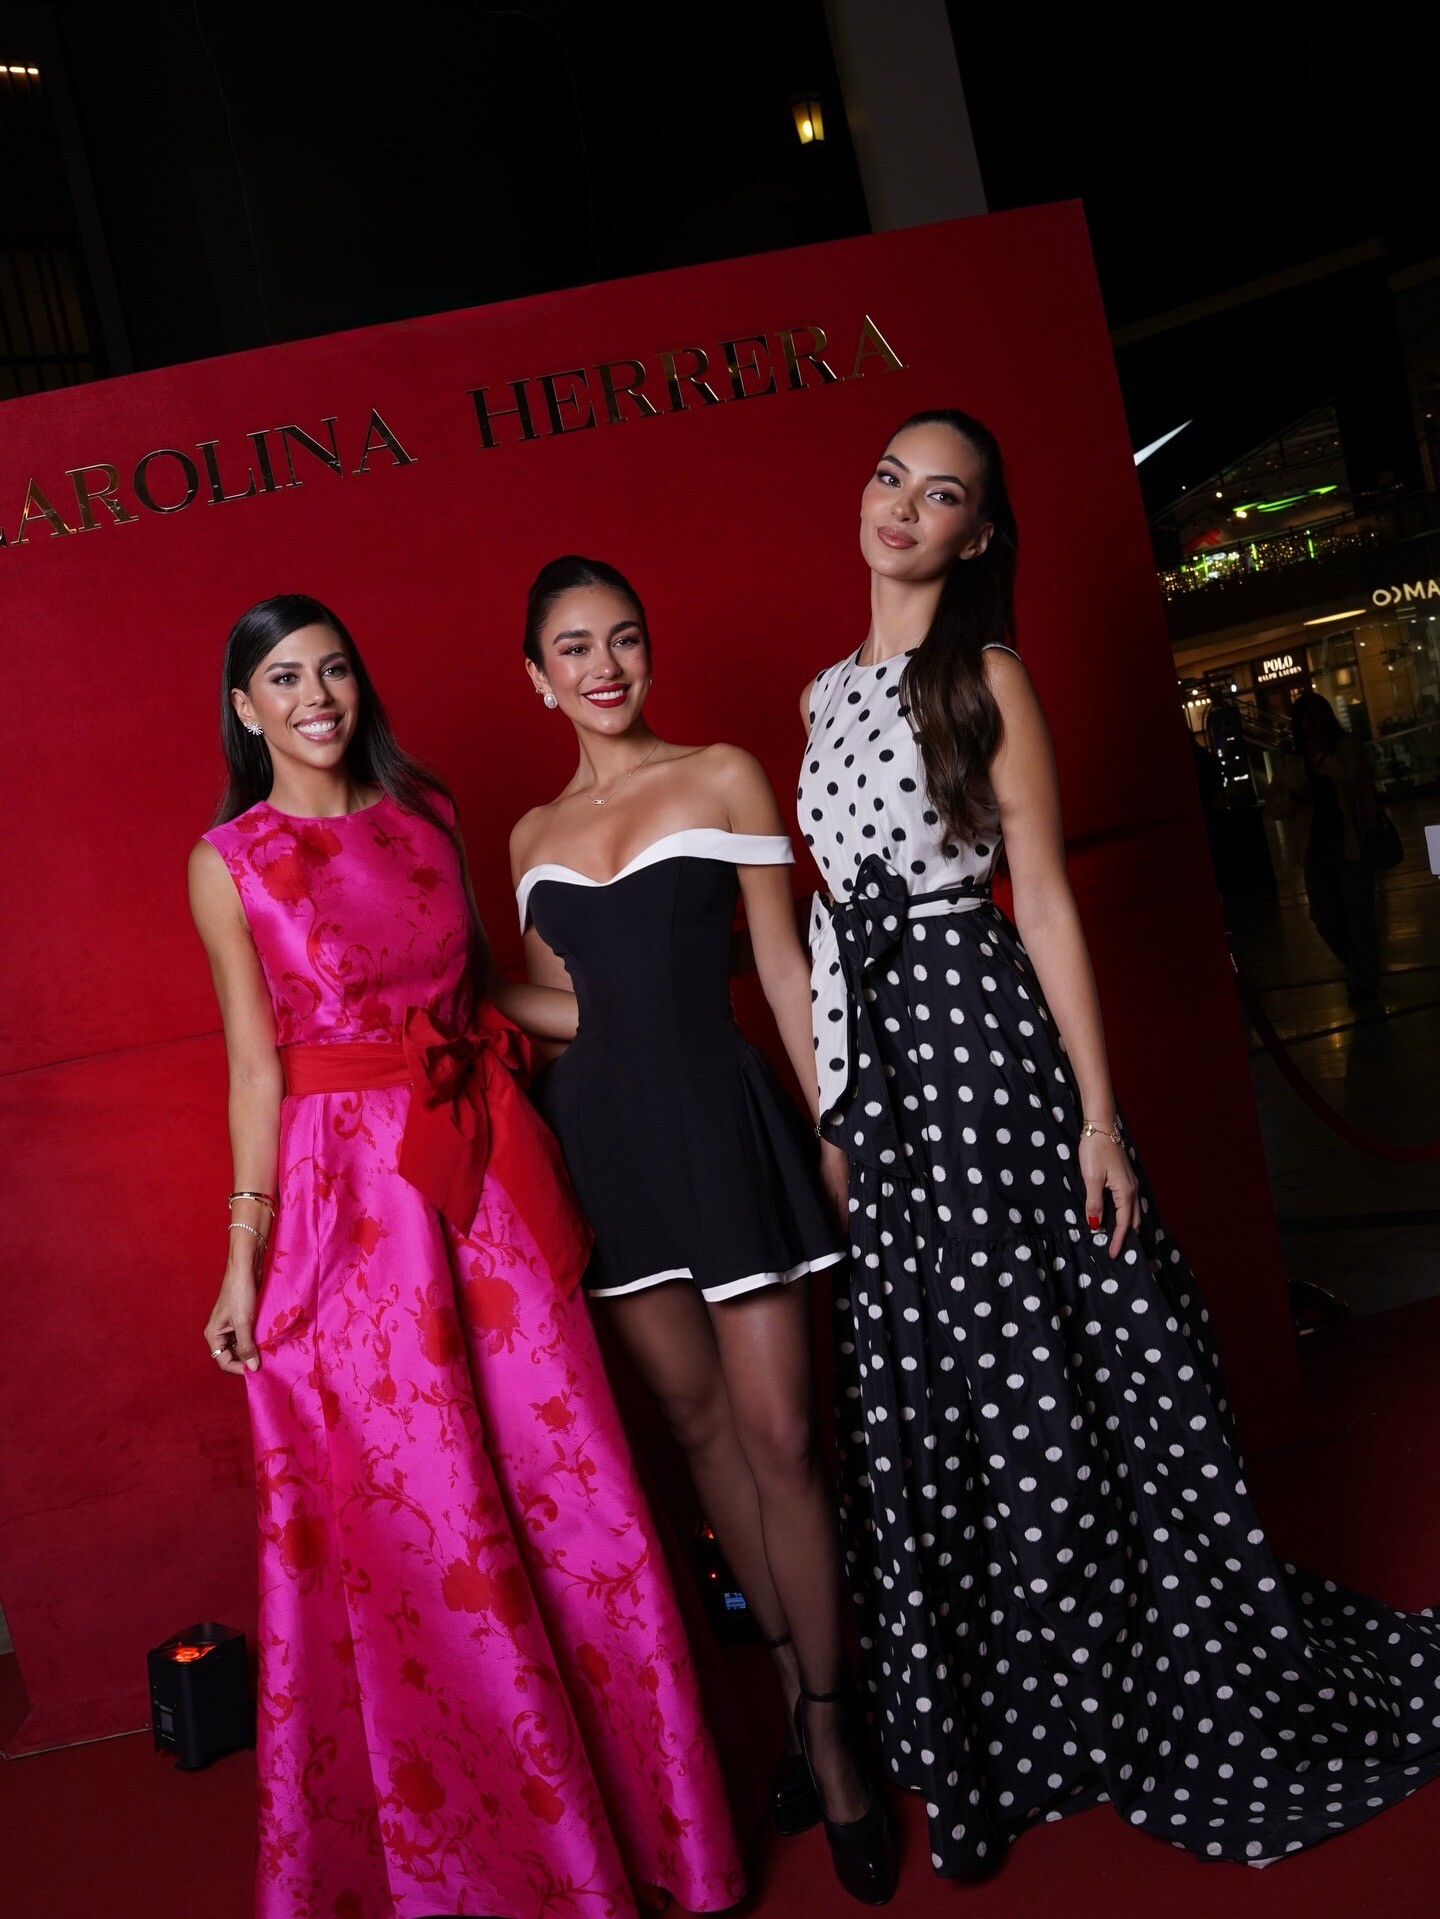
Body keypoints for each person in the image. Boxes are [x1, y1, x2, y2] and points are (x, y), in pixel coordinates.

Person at [800, 410, 1440, 1880]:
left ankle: (1128, 1677)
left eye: (940, 494)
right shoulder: (821, 694)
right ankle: (1020, 1703)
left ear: (976, 534)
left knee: (1053, 1358)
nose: (901, 506)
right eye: (890, 474)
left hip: (985, 1048)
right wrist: (840, 1108)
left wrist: (1097, 1119)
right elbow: (834, 928)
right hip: (888, 1080)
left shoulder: (989, 677)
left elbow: (1042, 899)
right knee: (945, 1377)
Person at [190, 593, 742, 1919]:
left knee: (566, 1481)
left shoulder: (425, 814)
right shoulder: (231, 860)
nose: (317, 695)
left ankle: (651, 1833)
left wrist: (650, 1016)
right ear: (246, 706)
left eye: (334, 668)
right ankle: (498, 1864)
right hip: (344, 1204)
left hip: (483, 1168)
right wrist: (243, 1250)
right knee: (423, 1510)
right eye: (285, 676)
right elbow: (256, 1067)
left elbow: (481, 992)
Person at [513, 555, 895, 1904]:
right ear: (538, 677)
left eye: (623, 637)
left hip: (727, 1129)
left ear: (647, 649)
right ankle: (793, 1693)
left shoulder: (724, 772)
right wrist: (466, 990)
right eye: (575, 647)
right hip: (608, 1147)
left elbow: (786, 968)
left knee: (786, 1435)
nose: (604, 666)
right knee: (702, 1432)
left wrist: (837, 1127)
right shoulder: (529, 836)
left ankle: (838, 1728)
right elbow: (575, 1011)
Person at [1287, 690, 1383, 1004]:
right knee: (1323, 915)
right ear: (1300, 724)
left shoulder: (1346, 747)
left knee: (1358, 914)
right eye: (1310, 718)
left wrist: (1317, 758)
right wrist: (1295, 796)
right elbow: (1276, 802)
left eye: (1322, 715)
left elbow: (1351, 772)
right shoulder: (1294, 760)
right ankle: (1359, 968)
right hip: (1315, 849)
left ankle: (1364, 981)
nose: (1318, 723)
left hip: (1351, 841)